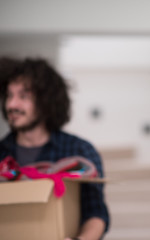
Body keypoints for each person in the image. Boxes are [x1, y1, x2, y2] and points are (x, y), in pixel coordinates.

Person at [0, 57, 109, 240]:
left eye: (23, 96)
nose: (12, 105)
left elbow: (96, 214)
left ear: (45, 102)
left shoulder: (80, 152)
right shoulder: (1, 153)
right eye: (9, 96)